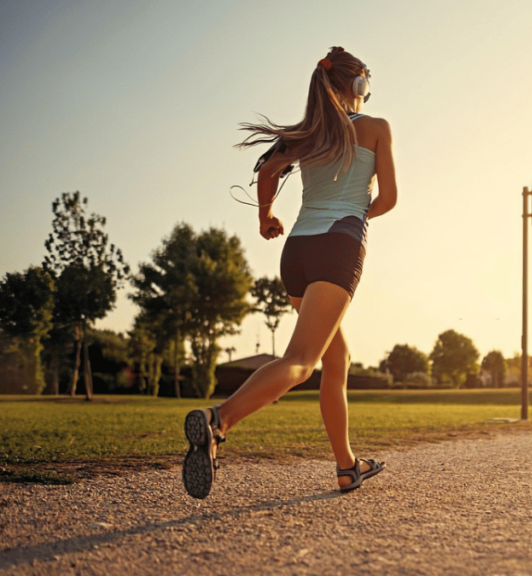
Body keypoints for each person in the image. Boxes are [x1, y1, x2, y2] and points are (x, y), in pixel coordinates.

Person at [182, 47, 397, 499]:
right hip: (338, 246)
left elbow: (267, 172)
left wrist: (266, 219)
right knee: (300, 362)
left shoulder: (304, 135)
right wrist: (354, 217)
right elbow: (389, 198)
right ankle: (219, 421)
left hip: (296, 252)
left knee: (336, 358)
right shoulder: (376, 128)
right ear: (358, 86)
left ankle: (347, 466)